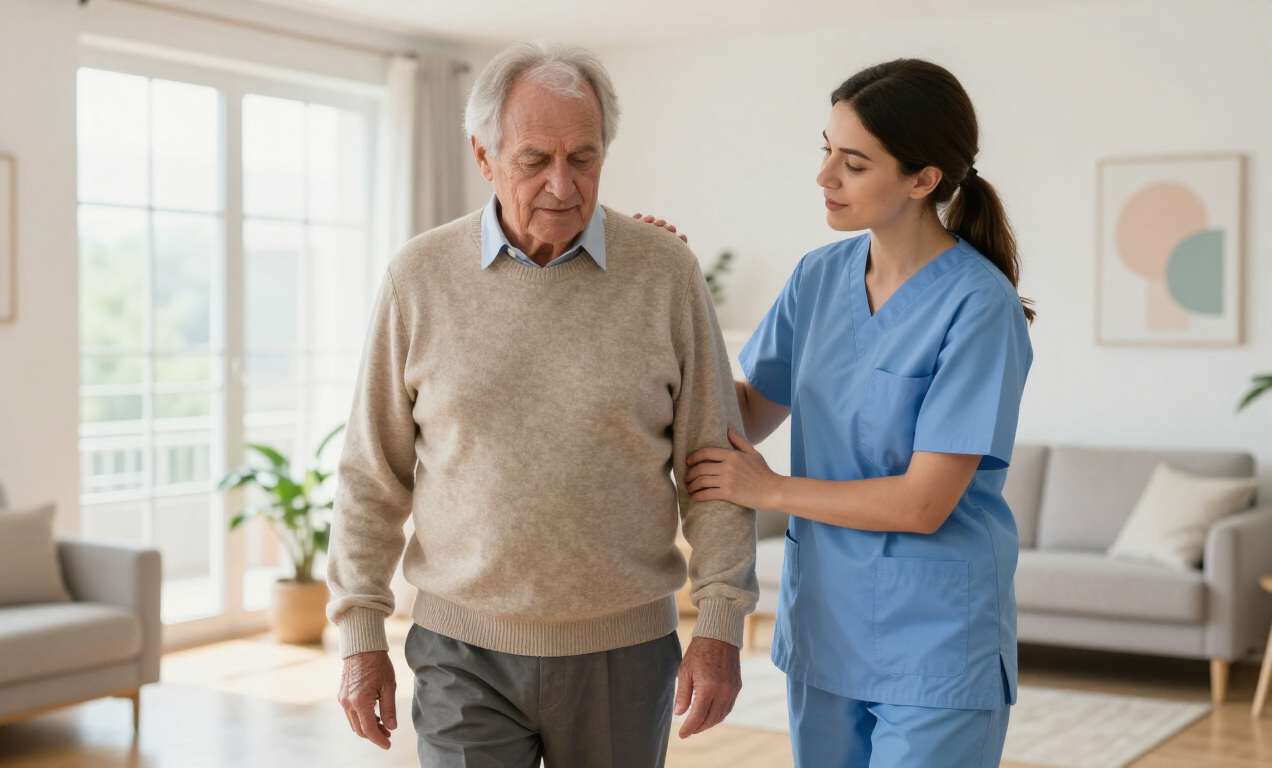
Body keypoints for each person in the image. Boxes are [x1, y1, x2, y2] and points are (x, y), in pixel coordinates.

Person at [326, 40, 758, 768]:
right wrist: (361, 633)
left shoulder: (666, 273)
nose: (563, 184)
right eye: (535, 159)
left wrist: (719, 624)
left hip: (624, 653)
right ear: (484, 155)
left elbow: (714, 466)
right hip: (460, 651)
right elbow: (372, 473)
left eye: (583, 157)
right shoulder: (418, 278)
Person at [669, 58, 1034, 767]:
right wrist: (663, 292)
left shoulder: (978, 306)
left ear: (923, 179)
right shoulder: (817, 277)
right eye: (827, 150)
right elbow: (744, 414)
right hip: (825, 624)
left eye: (855, 163)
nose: (825, 175)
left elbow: (924, 503)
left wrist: (769, 489)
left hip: (934, 640)